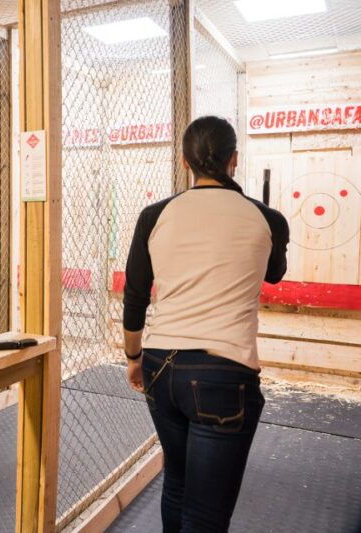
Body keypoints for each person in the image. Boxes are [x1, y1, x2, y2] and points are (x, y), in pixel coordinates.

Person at [122, 116, 289, 532]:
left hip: (161, 367)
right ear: (234, 159)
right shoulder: (268, 218)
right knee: (206, 513)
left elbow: (135, 295)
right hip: (223, 372)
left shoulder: (154, 215)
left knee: (176, 484)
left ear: (184, 162)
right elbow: (274, 273)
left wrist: (133, 357)